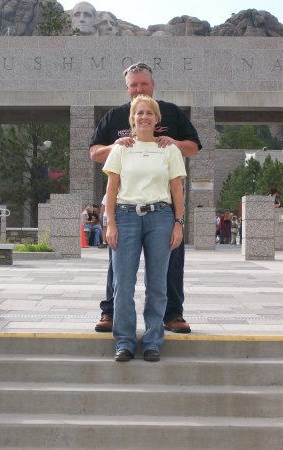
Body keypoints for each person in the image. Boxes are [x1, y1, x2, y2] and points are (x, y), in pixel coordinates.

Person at [90, 62, 202, 334]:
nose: (139, 88)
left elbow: (194, 147)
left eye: (144, 83)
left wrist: (173, 143)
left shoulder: (172, 113)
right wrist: (114, 146)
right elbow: (94, 153)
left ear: (153, 85)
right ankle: (110, 312)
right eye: (134, 85)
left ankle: (173, 315)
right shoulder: (114, 117)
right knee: (118, 265)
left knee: (171, 262)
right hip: (126, 209)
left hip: (162, 209)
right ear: (127, 88)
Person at [104, 95, 186, 362]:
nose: (144, 117)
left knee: (157, 283)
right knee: (123, 283)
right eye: (139, 113)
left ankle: (152, 340)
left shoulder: (169, 150)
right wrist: (111, 224)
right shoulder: (121, 149)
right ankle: (125, 341)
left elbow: (177, 190)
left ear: (156, 118)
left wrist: (178, 223)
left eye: (149, 113)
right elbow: (112, 189)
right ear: (132, 118)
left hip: (160, 217)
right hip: (126, 217)